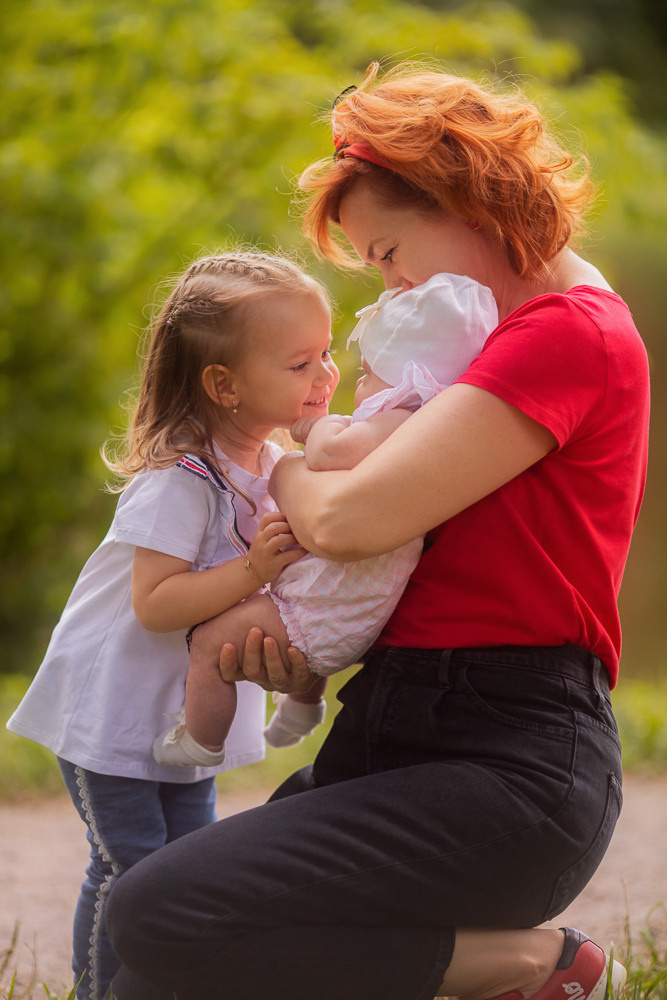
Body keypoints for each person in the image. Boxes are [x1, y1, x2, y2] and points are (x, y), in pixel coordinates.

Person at [103, 63, 650, 1000]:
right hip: (393, 729)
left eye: (390, 251)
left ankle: (537, 965)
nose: (389, 284)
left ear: (465, 201)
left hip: (508, 762)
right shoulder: (464, 351)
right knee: (144, 973)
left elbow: (351, 524)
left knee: (159, 915)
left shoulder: (568, 332)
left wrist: (276, 453)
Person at [6, 250, 339, 1000]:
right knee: (129, 863)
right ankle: (100, 991)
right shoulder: (177, 480)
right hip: (114, 707)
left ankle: (168, 987)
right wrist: (254, 570)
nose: (325, 375)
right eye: (298, 363)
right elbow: (155, 604)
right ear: (223, 384)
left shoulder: (271, 462)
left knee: (184, 864)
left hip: (182, 714)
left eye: (325, 353)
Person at [154, 270, 497, 758]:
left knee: (211, 644)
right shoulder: (438, 430)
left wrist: (309, 431)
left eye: (366, 370)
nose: (336, 377)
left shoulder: (396, 416)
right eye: (305, 363)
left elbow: (331, 452)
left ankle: (200, 743)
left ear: (401, 378)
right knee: (299, 597)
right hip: (347, 615)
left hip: (324, 614)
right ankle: (301, 708)